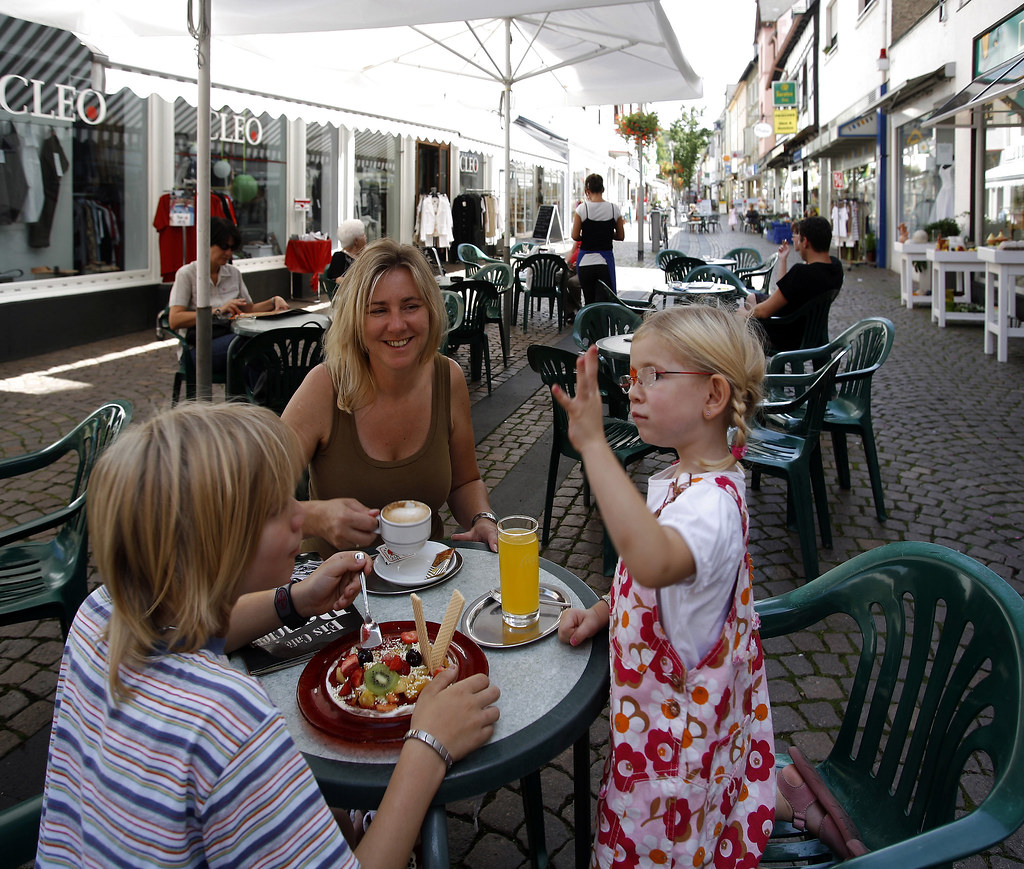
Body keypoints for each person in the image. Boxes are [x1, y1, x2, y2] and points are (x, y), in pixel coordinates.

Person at [36, 403, 500, 868]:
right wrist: (427, 747)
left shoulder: (99, 614)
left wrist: (292, 601)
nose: (302, 517)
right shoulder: (226, 718)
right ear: (222, 546)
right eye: (279, 509)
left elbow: (188, 627)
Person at [553, 306, 776, 868]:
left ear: (713, 396)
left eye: (653, 375)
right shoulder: (688, 475)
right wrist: (609, 609)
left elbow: (652, 559)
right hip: (652, 743)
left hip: (674, 776)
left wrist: (595, 446)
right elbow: (663, 589)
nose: (633, 390)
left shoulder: (710, 509)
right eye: (632, 375)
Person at [282, 238, 500, 556]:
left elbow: (464, 482)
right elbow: (256, 501)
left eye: (411, 306)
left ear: (430, 311)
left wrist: (482, 519)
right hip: (334, 590)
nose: (397, 325)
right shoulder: (325, 386)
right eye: (378, 310)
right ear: (356, 320)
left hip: (426, 578)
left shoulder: (448, 378)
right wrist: (314, 518)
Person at [168, 216, 289, 375]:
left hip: (230, 339)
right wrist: (218, 310)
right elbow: (174, 320)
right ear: (207, 243)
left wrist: (274, 301)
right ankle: (264, 395)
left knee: (260, 347)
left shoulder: (233, 273)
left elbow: (248, 309)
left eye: (232, 249)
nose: (228, 253)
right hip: (197, 348)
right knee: (248, 346)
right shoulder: (187, 274)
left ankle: (263, 394)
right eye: (224, 246)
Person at [746, 215, 844, 352]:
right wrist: (783, 260)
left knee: (742, 316)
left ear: (805, 242)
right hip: (810, 328)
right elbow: (786, 289)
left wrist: (741, 316)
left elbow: (763, 311)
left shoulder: (802, 273)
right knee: (752, 298)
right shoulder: (835, 268)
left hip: (787, 334)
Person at [571, 173, 625, 304]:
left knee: (589, 302)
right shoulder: (614, 209)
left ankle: (588, 324)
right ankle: (603, 325)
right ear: (603, 189)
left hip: (585, 262)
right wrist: (606, 233)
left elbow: (575, 235)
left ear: (587, 191)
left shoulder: (582, 209)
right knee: (604, 303)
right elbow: (621, 236)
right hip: (604, 263)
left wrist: (589, 234)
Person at [325, 218, 368, 286]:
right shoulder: (339, 257)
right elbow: (335, 280)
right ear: (356, 241)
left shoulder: (366, 255)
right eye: (363, 235)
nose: (366, 238)